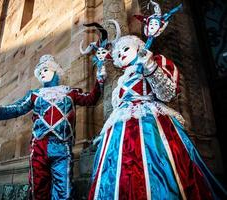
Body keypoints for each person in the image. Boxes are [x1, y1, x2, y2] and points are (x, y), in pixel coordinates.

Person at [88, 20, 226, 200]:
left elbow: (167, 93)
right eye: (119, 52)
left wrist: (150, 67)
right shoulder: (121, 80)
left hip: (150, 124)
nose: (121, 53)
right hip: (120, 130)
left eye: (126, 49)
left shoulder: (156, 60)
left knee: (158, 168)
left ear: (138, 48)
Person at [0, 54, 106, 200]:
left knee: (64, 188)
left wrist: (100, 79)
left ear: (55, 71)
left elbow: (90, 99)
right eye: (40, 72)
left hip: (62, 145)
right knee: (38, 186)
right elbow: (18, 108)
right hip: (39, 146)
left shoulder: (70, 92)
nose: (42, 73)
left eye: (45, 70)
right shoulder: (35, 95)